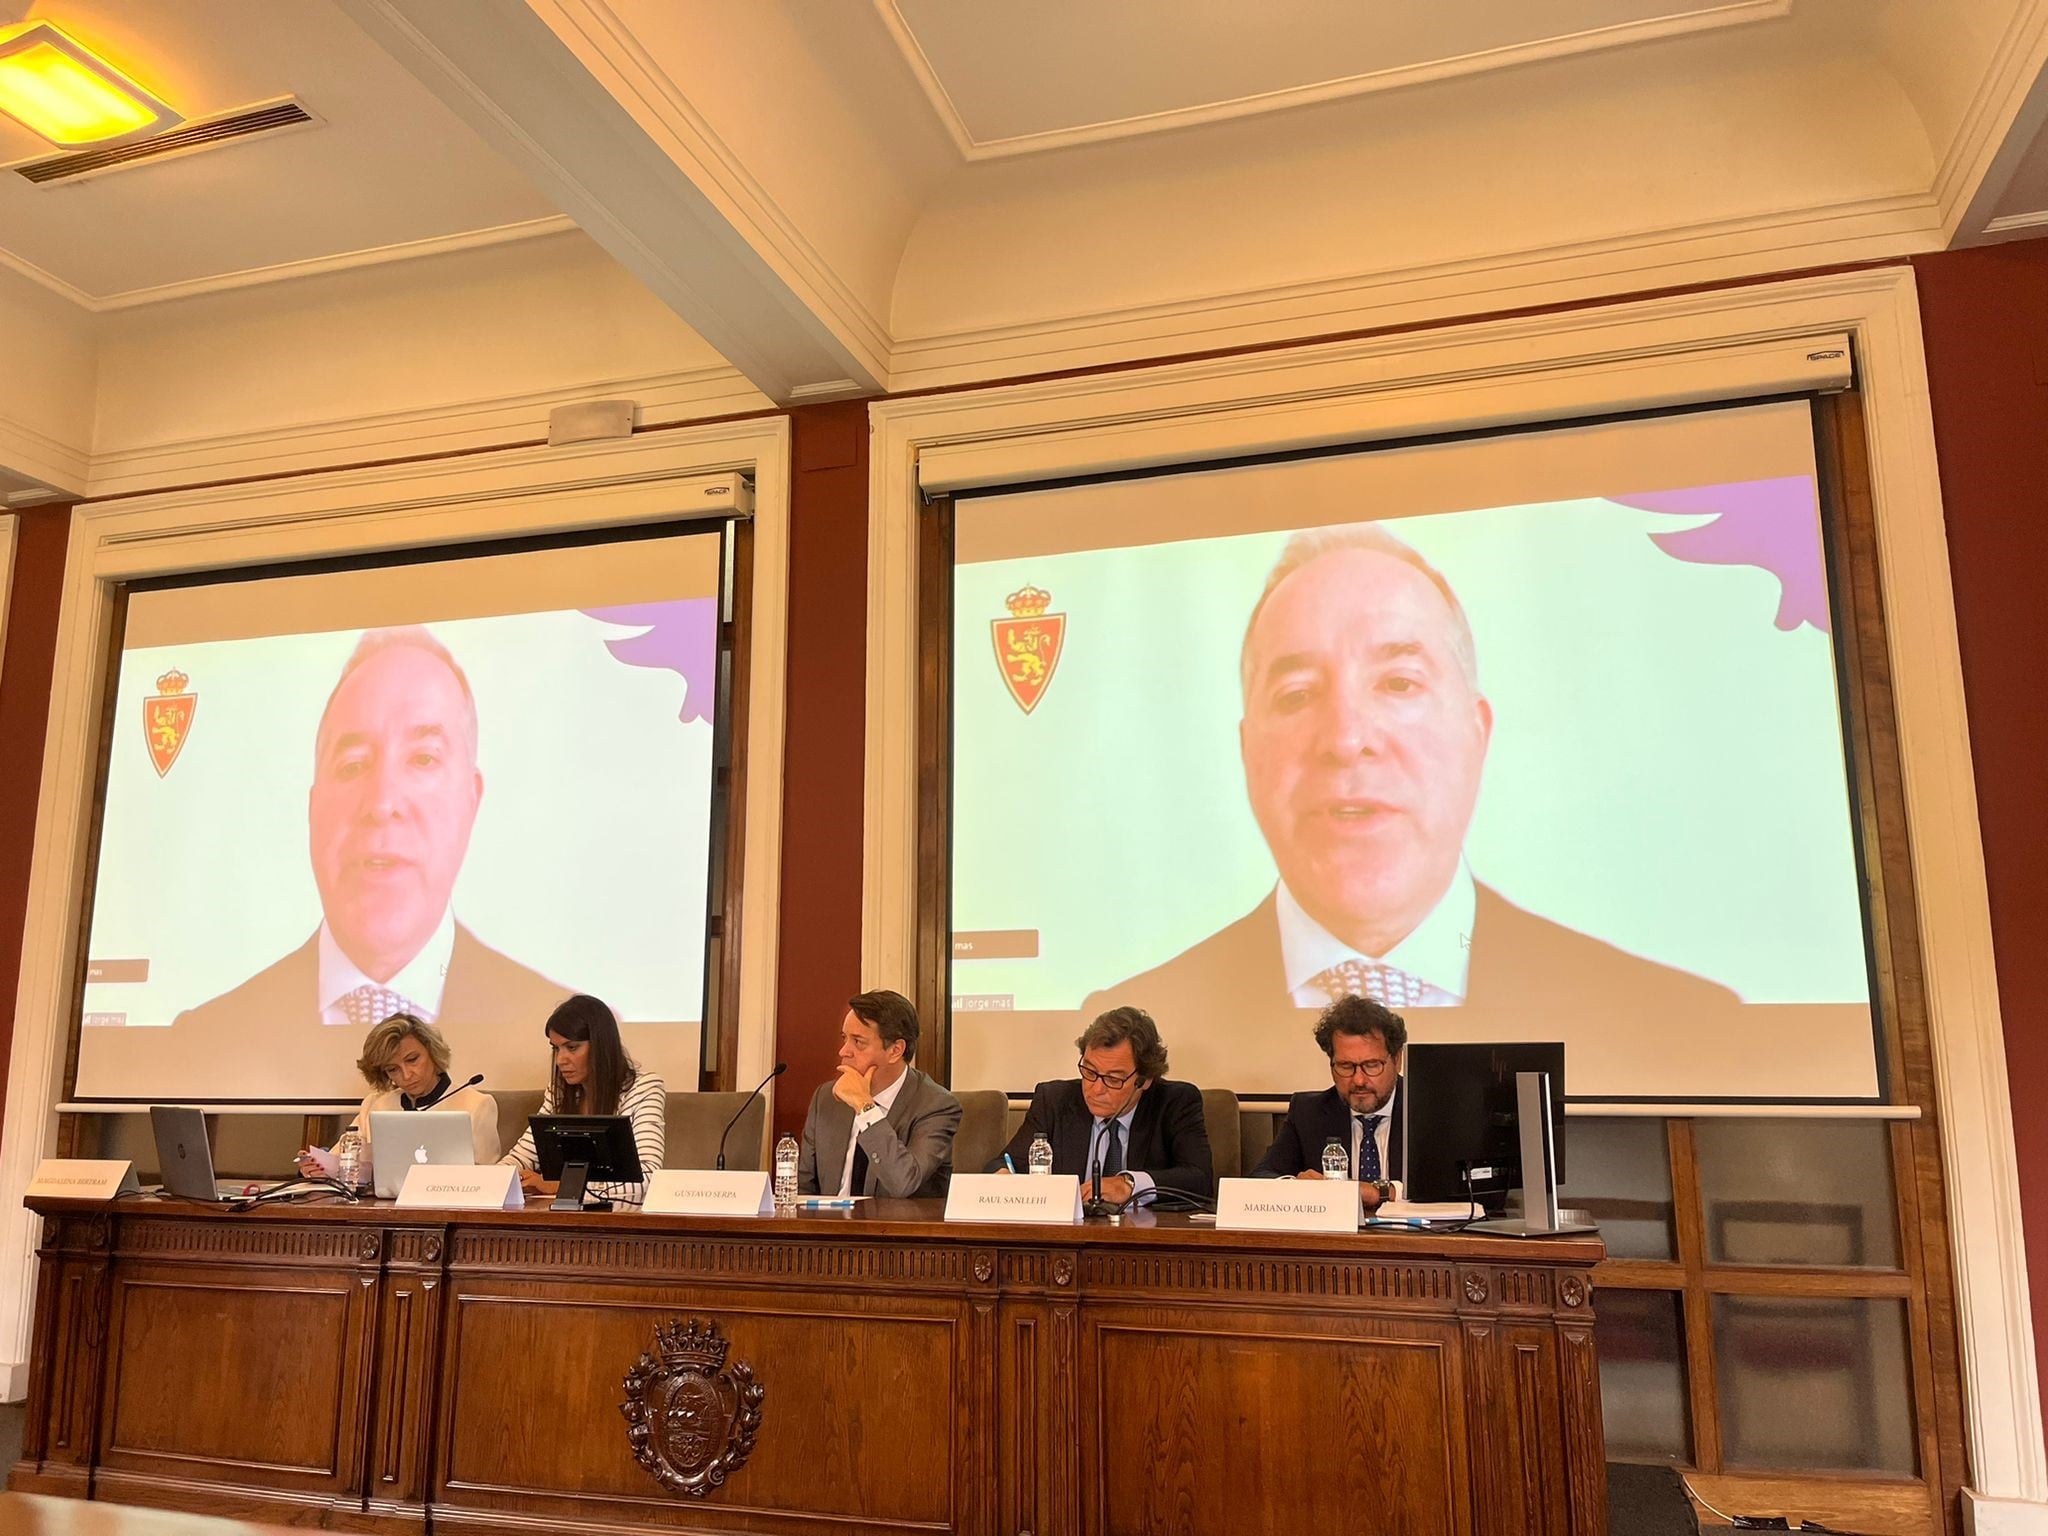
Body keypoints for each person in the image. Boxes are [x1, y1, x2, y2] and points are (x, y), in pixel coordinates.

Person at [1083, 523, 1736, 1078]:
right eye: (1297, 694)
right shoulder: (1137, 1028)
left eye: (1398, 682)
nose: (1345, 739)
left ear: (1476, 733)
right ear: (1248, 752)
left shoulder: (1678, 1017)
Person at [172, 627, 572, 1079]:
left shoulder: (562, 1029)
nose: (382, 804)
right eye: (354, 765)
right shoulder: (204, 1036)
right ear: (313, 806)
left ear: (471, 801)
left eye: (423, 759)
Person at [995, 1007, 1213, 1204]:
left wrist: (1130, 1183)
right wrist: (1003, 1176)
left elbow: (1200, 1179)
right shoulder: (1054, 1100)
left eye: (1113, 1079)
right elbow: (1001, 1164)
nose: (1096, 1089)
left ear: (1144, 1080)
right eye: (1089, 1072)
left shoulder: (1174, 1102)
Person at [796, 989, 962, 1198]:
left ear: (895, 1051)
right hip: (831, 1227)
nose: (843, 1051)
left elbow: (904, 1182)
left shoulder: (936, 1106)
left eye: (858, 1042)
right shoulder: (826, 1098)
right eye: (844, 1038)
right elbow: (803, 1189)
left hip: (894, 1229)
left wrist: (865, 1107)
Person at [500, 995, 664, 1204]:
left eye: (572, 1047)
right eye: (556, 1048)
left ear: (600, 1046)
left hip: (620, 1223)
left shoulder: (644, 1088)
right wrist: (496, 1181)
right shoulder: (558, 1092)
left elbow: (648, 1179)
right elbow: (521, 1157)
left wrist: (560, 1186)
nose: (560, 1060)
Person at [297, 1011, 501, 1180]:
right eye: (393, 1069)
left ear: (432, 1052)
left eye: (412, 1059)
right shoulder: (376, 1105)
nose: (406, 1075)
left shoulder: (476, 1105)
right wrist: (318, 1167)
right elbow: (340, 1161)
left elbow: (487, 1180)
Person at [1252, 995, 1407, 1213]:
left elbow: (1459, 1187)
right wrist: (1296, 1186)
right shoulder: (1309, 1112)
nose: (1359, 1080)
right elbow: (1262, 1177)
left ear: (1397, 1059)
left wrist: (1380, 1192)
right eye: (1345, 1066)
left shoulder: (1429, 1108)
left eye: (1372, 1065)